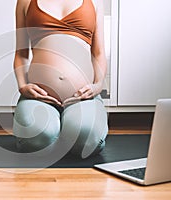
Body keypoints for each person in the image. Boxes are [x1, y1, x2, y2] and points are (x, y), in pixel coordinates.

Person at [13, 0, 108, 159]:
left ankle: (68, 129)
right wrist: (22, 85)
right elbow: (21, 54)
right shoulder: (25, 2)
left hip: (82, 97)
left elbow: (98, 52)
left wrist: (98, 85)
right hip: (40, 97)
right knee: (35, 139)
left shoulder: (95, 1)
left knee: (86, 139)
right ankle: (57, 131)